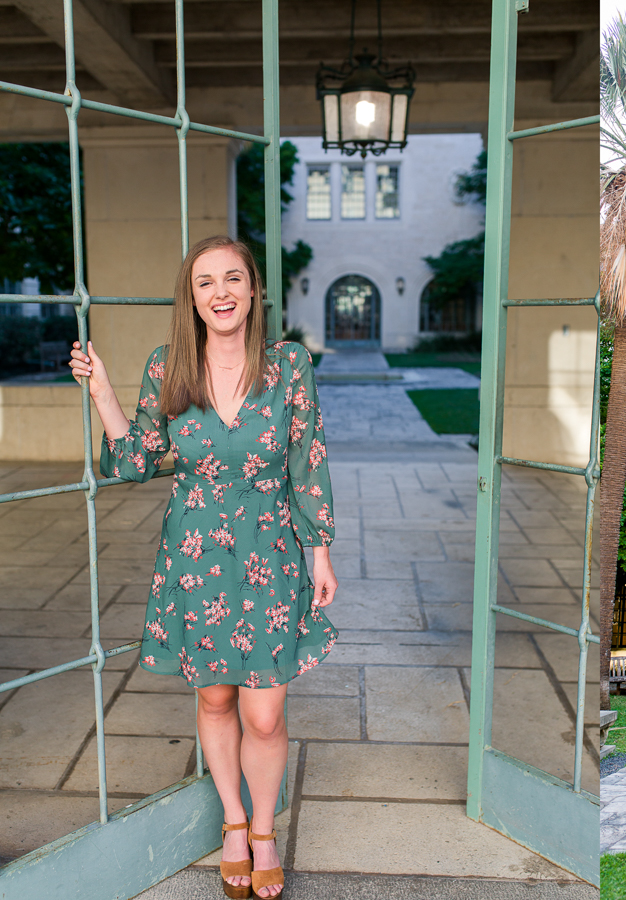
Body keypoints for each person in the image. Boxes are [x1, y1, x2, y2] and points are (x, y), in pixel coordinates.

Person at [70, 235, 338, 900]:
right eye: (205, 283)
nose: (220, 293)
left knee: (266, 714)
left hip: (271, 557)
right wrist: (101, 390)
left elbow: (308, 458)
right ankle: (236, 823)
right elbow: (133, 460)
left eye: (232, 280)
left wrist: (321, 547)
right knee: (216, 697)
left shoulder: (288, 366)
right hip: (196, 563)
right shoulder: (170, 368)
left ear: (252, 291)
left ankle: (267, 829)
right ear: (191, 298)